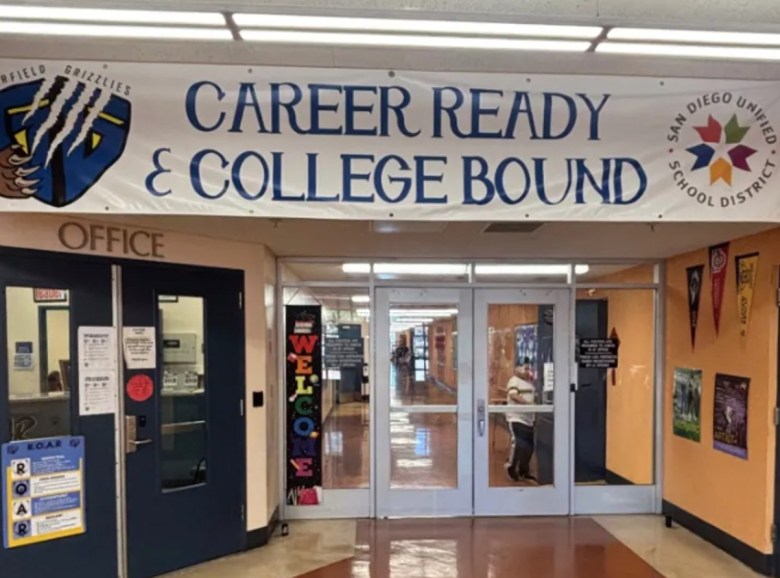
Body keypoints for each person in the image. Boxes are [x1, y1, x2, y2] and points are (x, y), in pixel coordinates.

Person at [504, 360, 536, 482]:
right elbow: (513, 395)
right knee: (518, 443)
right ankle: (511, 467)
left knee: (529, 446)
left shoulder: (530, 384)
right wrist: (527, 405)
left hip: (528, 420)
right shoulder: (514, 381)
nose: (527, 371)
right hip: (516, 417)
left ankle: (524, 471)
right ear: (517, 369)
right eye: (525, 368)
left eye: (528, 369)